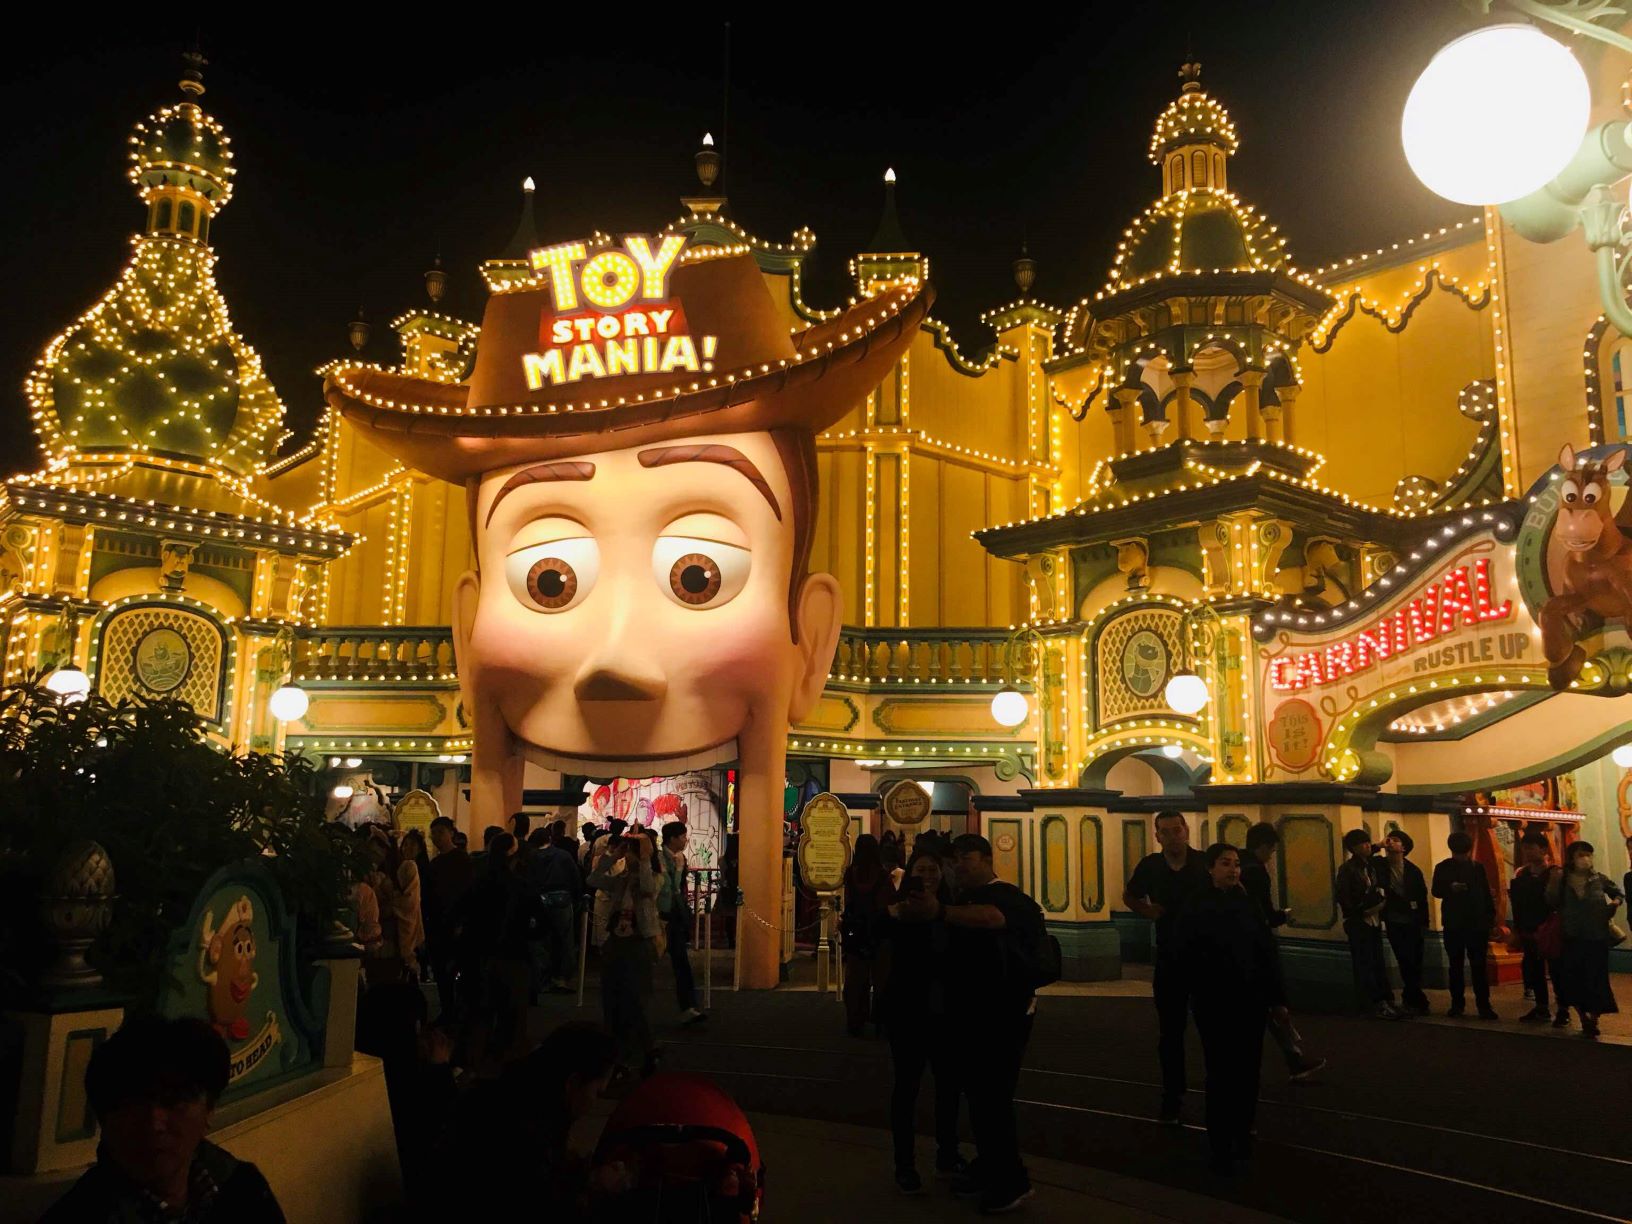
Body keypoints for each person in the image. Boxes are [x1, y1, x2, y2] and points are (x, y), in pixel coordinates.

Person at [898, 833, 1042, 1214]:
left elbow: (992, 918)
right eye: (955, 859)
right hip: (973, 1017)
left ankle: (1011, 1181)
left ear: (988, 859)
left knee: (994, 1097)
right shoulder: (963, 898)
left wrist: (939, 912)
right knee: (980, 1097)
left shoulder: (1007, 897)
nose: (959, 865)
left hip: (1004, 1016)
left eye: (967, 857)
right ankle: (990, 1166)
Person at [42, 1015, 285, 1222]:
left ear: (209, 1110)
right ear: (105, 1119)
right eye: (134, 1105)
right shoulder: (77, 1216)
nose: (154, 1124)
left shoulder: (244, 1191)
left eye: (174, 1101)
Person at [1172, 844, 1283, 1177]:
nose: (1233, 870)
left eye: (1236, 864)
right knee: (1221, 1070)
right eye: (1225, 864)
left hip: (1250, 1000)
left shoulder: (1247, 902)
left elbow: (1266, 950)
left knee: (1248, 1068)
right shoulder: (1196, 905)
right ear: (1211, 868)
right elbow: (1184, 954)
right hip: (1214, 1001)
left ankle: (1243, 1131)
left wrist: (1277, 998)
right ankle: (1220, 1140)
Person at [878, 848, 964, 1194]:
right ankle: (905, 1164)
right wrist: (892, 915)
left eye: (933, 870)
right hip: (907, 1010)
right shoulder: (899, 911)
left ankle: (948, 1155)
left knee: (949, 1087)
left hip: (947, 1012)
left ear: (943, 875)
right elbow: (867, 932)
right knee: (907, 1087)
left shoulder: (951, 910)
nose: (927, 877)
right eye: (920, 871)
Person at [1123, 809, 1209, 1121]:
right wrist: (1146, 910)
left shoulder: (1204, 864)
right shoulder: (1150, 866)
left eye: (1177, 830)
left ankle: (1219, 1096)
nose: (1173, 837)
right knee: (1171, 1032)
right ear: (1157, 836)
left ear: (1186, 831)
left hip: (1205, 959)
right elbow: (1130, 895)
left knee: (1212, 1030)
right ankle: (1172, 1095)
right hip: (1170, 959)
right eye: (1166, 832)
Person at [1240, 823, 1325, 1082]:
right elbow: (1266, 913)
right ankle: (1291, 1056)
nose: (1271, 855)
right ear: (1264, 846)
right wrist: (1282, 916)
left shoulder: (1240, 866)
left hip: (1242, 946)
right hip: (1257, 946)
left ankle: (1293, 1056)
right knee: (1270, 1005)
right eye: (1272, 850)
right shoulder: (1257, 872)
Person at [589, 831, 662, 1080]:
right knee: (612, 997)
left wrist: (645, 858)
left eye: (631, 851)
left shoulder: (654, 876)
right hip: (616, 942)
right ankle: (617, 1052)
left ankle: (645, 1050)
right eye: (627, 851)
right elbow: (593, 879)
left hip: (638, 943)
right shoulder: (621, 879)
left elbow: (648, 888)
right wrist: (612, 855)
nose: (628, 856)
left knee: (636, 999)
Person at [1546, 840, 1624, 1038]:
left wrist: (1615, 903)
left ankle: (1594, 1018)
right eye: (1581, 855)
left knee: (1597, 980)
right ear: (1571, 858)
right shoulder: (1563, 879)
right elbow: (1551, 901)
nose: (1585, 859)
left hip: (1597, 937)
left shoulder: (1599, 879)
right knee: (1575, 979)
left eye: (1588, 854)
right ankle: (1583, 1017)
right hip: (1572, 936)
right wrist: (1553, 882)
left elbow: (1618, 893)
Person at [1336, 828, 1405, 1020]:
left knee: (1377, 961)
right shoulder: (1348, 870)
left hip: (1373, 920)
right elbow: (1343, 896)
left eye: (1368, 842)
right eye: (1363, 843)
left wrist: (1380, 845)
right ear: (1354, 848)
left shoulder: (1369, 866)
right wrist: (1360, 911)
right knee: (1365, 963)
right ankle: (1372, 1003)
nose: (1368, 846)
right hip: (1359, 921)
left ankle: (1385, 1000)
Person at [1431, 831, 1498, 1019]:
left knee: (1463, 966)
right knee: (1470, 966)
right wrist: (1490, 918)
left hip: (1463, 923)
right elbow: (1437, 890)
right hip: (1466, 923)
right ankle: (1479, 1006)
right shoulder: (1474, 867)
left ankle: (1463, 1005)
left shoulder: (1448, 867)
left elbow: (1437, 890)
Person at [841, 833, 894, 1037]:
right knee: (881, 978)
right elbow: (886, 903)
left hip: (856, 932)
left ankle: (855, 1021)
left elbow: (848, 901)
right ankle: (881, 1021)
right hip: (879, 932)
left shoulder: (850, 874)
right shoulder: (882, 875)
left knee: (856, 978)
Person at [424, 815, 475, 1019]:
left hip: (456, 924)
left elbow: (468, 893)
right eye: (433, 833)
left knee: (456, 968)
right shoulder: (435, 863)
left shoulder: (463, 861)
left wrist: (462, 921)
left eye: (440, 832)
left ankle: (458, 1010)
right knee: (440, 970)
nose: (436, 837)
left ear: (451, 833)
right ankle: (447, 1010)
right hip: (437, 924)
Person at [658, 820, 708, 1026]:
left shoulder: (680, 858)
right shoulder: (659, 859)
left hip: (676, 915)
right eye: (683, 837)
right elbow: (667, 886)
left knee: (681, 961)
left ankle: (688, 1006)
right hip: (660, 915)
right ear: (672, 838)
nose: (686, 840)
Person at [1508, 830, 1560, 1024]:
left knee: (1556, 970)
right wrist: (1518, 928)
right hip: (1529, 928)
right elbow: (1517, 904)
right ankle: (1541, 1007)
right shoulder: (1521, 875)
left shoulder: (1554, 874)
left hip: (1550, 929)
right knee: (1534, 969)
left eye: (1531, 848)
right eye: (1525, 849)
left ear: (1544, 850)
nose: (1528, 852)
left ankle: (1563, 1008)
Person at [1376, 830, 1430, 1014]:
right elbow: (1364, 858)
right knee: (1404, 958)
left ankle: (1414, 998)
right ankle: (1414, 998)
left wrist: (1424, 923)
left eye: (1396, 840)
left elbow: (1422, 898)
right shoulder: (1380, 865)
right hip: (1394, 920)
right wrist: (1378, 845)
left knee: (1414, 960)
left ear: (1404, 848)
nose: (1391, 842)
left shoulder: (1413, 871)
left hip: (1412, 921)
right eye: (1389, 839)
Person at [393, 828, 427, 979]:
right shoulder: (404, 865)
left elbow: (409, 898)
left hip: (413, 916)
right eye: (405, 844)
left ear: (420, 848)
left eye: (412, 844)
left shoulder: (411, 866)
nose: (408, 848)